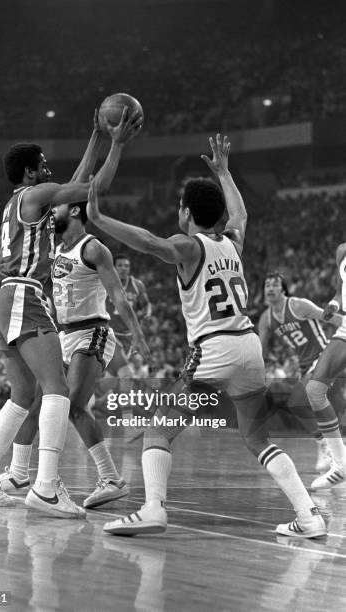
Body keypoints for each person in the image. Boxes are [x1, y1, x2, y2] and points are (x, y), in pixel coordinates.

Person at [87, 133, 326, 538]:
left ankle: (152, 509)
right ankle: (308, 516)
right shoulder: (232, 243)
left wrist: (99, 219)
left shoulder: (188, 245)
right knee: (255, 435)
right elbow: (241, 216)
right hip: (249, 346)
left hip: (214, 349)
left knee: (159, 427)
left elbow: (147, 242)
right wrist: (225, 173)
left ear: (185, 212)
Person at [0, 107, 142, 518]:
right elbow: (93, 187)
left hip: (5, 298)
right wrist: (116, 144)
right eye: (41, 165)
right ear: (28, 173)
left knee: (24, 394)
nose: (48, 169)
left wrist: (96, 135)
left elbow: (75, 184)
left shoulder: (19, 203)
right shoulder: (36, 195)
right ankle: (45, 488)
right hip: (24, 297)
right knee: (57, 389)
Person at [0, 196, 149, 509]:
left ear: (73, 210)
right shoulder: (54, 251)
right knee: (37, 402)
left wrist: (138, 334)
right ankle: (19, 472)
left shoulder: (93, 248)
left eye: (54, 208)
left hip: (92, 331)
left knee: (71, 403)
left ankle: (111, 478)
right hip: (63, 334)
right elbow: (23, 278)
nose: (49, 212)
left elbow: (119, 296)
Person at [258, 271, 343, 471]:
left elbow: (329, 318)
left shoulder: (298, 305)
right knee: (303, 405)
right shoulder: (266, 319)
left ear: (283, 289)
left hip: (323, 356)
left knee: (297, 400)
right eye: (267, 285)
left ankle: (327, 447)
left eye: (275, 284)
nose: (270, 288)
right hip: (305, 366)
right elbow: (258, 351)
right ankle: (332, 448)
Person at [303, 241, 346, 489]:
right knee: (314, 390)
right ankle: (340, 464)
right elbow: (341, 291)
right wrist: (334, 305)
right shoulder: (342, 251)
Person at [106, 254, 152, 375]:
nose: (123, 268)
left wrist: (147, 313)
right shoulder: (106, 283)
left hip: (128, 335)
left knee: (114, 374)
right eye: (120, 265)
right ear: (114, 268)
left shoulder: (137, 285)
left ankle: (109, 392)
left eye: (126, 266)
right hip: (110, 333)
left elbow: (146, 305)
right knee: (123, 372)